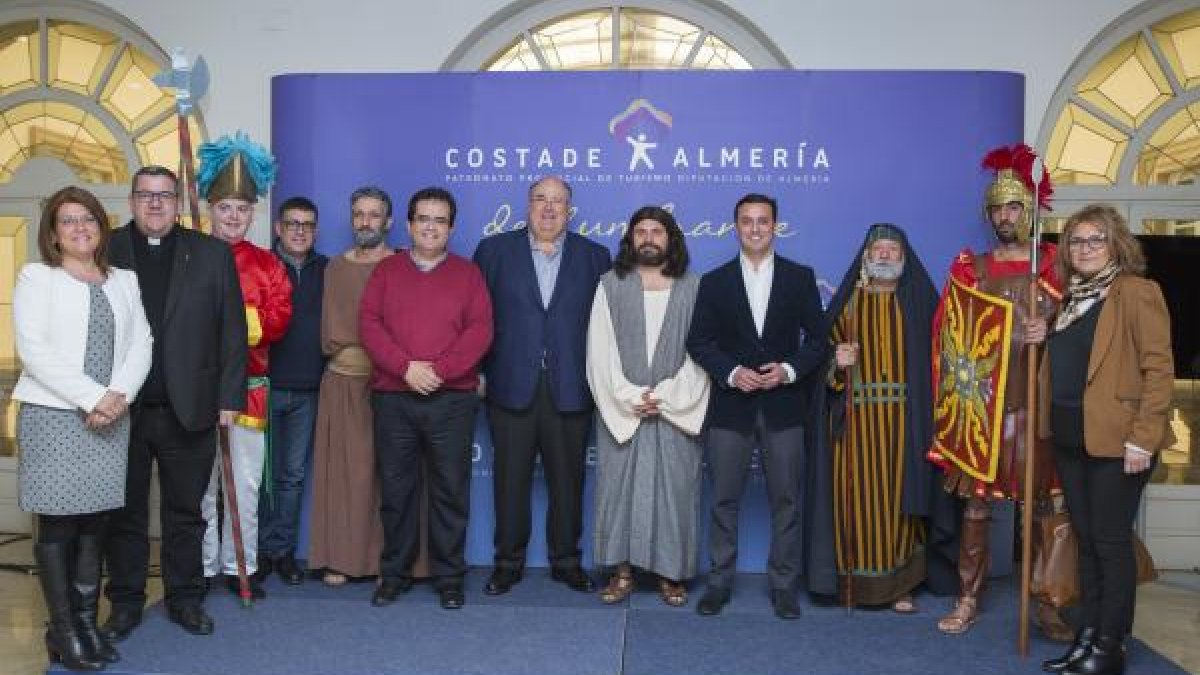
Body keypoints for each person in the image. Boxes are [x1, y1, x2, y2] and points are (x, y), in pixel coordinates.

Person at [928, 143, 1073, 640]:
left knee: (1045, 508)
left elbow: (1086, 329)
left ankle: (1047, 602)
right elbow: (950, 334)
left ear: (1030, 209)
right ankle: (967, 598)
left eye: (1014, 206)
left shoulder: (1056, 266)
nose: (1005, 216)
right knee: (976, 508)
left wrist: (1048, 329)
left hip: (1038, 403)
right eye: (997, 208)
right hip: (985, 409)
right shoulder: (972, 268)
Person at [101, 165, 247, 639]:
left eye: (165, 195)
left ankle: (185, 598)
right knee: (125, 514)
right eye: (146, 195)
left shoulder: (210, 254)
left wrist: (229, 397)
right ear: (131, 201)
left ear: (179, 203)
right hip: (122, 412)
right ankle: (125, 603)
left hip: (191, 408)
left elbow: (232, 331)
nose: (156, 204)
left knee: (186, 512)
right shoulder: (106, 251)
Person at [14, 187, 152, 670]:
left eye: (88, 219)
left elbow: (142, 344)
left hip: (112, 416)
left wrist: (117, 398)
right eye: (68, 221)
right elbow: (34, 349)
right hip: (54, 416)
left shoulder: (124, 281)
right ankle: (65, 631)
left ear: (101, 226)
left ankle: (89, 623)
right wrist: (92, 397)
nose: (80, 228)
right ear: (53, 233)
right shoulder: (37, 278)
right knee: (58, 526)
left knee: (95, 524)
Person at [1037, 205, 1173, 675]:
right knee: (1088, 543)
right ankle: (1088, 636)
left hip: (1121, 443)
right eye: (1077, 241)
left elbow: (1158, 370)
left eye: (1096, 239)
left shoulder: (1135, 292)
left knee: (1111, 544)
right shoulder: (1070, 300)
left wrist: (1143, 438)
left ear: (1116, 243)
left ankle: (1110, 646)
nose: (1086, 248)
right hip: (1072, 440)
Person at [686, 193, 828, 620]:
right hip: (731, 407)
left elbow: (818, 341)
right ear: (736, 227)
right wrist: (731, 373)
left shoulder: (800, 278)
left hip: (784, 407)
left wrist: (787, 369)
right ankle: (719, 582)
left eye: (762, 221)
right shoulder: (713, 281)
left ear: (775, 226)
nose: (755, 228)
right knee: (723, 500)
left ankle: (783, 586)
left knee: (787, 500)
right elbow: (698, 342)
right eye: (746, 221)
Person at [473, 176, 611, 595]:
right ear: (527, 206)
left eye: (558, 201)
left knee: (568, 482)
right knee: (509, 481)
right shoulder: (494, 251)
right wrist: (476, 370)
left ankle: (566, 562)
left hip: (571, 388)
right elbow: (476, 317)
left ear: (570, 209)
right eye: (540, 200)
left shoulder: (595, 256)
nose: (549, 208)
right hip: (511, 384)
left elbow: (608, 328)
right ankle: (507, 564)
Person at [360, 187, 493, 609]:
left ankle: (449, 577)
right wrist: (405, 368)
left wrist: (440, 372)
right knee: (397, 492)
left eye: (440, 220)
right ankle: (394, 574)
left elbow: (480, 330)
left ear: (451, 228)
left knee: (450, 491)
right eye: (424, 219)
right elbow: (369, 324)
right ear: (409, 224)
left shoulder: (469, 274)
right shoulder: (386, 271)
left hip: (450, 399)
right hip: (394, 398)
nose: (431, 227)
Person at [821, 223, 956, 611]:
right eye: (877, 249)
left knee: (901, 498)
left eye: (891, 250)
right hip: (856, 420)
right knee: (858, 502)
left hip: (906, 421)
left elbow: (944, 358)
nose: (883, 255)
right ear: (866, 255)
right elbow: (819, 360)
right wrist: (836, 362)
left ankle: (901, 587)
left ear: (903, 258)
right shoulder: (847, 303)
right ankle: (853, 583)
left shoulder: (920, 303)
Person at [587, 206, 710, 607]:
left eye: (657, 231)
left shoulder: (694, 287)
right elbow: (598, 350)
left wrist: (668, 397)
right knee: (618, 490)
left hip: (675, 407)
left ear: (671, 238)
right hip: (625, 407)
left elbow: (704, 351)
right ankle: (621, 572)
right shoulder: (611, 284)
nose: (649, 238)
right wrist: (630, 396)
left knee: (675, 491)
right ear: (630, 239)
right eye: (641, 231)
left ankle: (669, 574)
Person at [196, 132, 293, 600]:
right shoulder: (188, 255)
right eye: (224, 209)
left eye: (241, 209)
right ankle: (203, 566)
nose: (233, 217)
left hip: (248, 388)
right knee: (200, 487)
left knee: (245, 486)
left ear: (252, 214)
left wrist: (229, 324)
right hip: (194, 393)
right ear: (210, 210)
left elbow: (277, 321)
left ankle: (242, 566)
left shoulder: (267, 264)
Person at [308, 187, 400, 586]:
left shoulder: (401, 267)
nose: (366, 222)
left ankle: (388, 561)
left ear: (389, 222)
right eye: (359, 214)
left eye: (374, 215)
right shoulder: (334, 268)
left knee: (388, 473)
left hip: (390, 383)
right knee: (344, 475)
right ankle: (341, 558)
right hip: (342, 383)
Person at [259, 196, 327, 585]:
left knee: (292, 476)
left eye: (307, 224)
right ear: (278, 228)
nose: (300, 230)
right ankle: (260, 553)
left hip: (309, 389)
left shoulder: (327, 270)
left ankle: (283, 553)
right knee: (263, 476)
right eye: (292, 223)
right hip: (264, 386)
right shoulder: (261, 267)